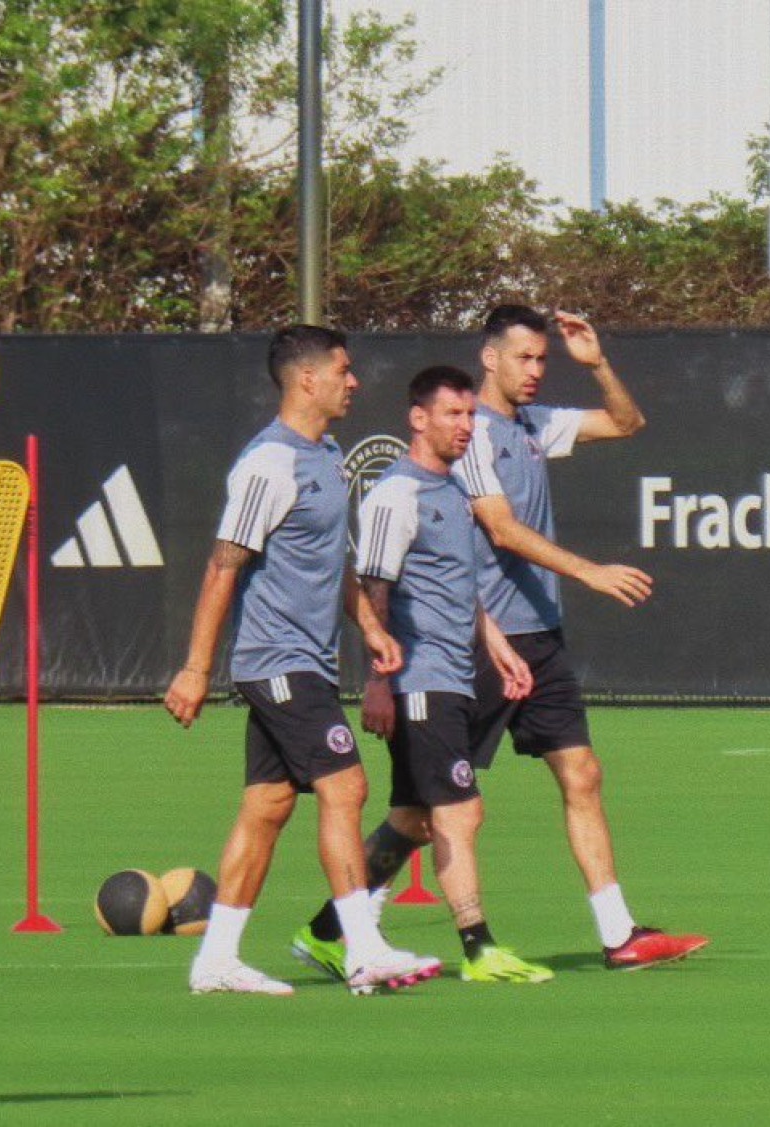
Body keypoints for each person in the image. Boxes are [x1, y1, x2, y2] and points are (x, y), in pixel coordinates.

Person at [164, 324, 431, 997]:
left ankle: (216, 958)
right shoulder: (268, 464)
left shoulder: (327, 454)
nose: (354, 380)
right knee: (347, 787)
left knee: (268, 805)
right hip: (275, 661)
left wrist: (368, 621)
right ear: (306, 378)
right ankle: (363, 947)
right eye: (343, 369)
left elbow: (330, 558)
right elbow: (222, 567)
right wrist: (196, 667)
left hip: (305, 660)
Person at [456, 304, 708, 970]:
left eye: (543, 359)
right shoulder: (470, 433)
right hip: (483, 638)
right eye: (524, 358)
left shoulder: (536, 424)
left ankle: (618, 932)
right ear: (491, 358)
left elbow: (627, 422)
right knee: (430, 807)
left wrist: (597, 366)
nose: (536, 370)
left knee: (582, 773)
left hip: (540, 634)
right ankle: (341, 924)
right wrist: (589, 570)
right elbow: (502, 529)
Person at [292, 365, 553, 984]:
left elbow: (459, 588)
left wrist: (497, 645)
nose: (465, 427)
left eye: (469, 415)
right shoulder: (395, 495)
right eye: (452, 415)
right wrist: (378, 682)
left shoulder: (455, 492)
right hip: (419, 681)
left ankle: (325, 932)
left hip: (455, 674)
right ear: (418, 418)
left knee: (412, 819)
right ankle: (478, 948)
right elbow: (371, 591)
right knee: (460, 813)